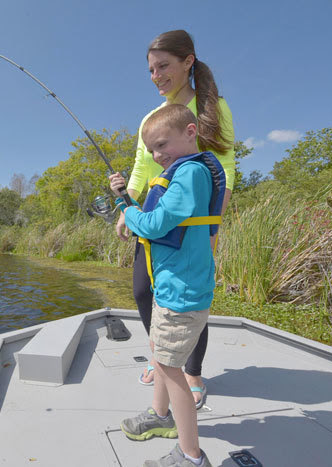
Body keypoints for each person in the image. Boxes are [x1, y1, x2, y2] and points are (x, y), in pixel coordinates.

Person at [115, 30, 235, 407]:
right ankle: (162, 359)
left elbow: (226, 170)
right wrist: (128, 206)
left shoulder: (214, 108)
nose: (156, 76)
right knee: (143, 291)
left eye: (163, 65)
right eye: (151, 70)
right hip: (153, 213)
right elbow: (140, 167)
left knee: (188, 301)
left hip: (195, 221)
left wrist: (212, 228)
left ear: (188, 61)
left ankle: (192, 372)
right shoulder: (150, 118)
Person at [111, 104, 223, 467]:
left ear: (190, 132)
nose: (158, 155)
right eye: (153, 150)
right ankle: (159, 416)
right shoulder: (180, 172)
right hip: (171, 289)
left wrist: (127, 212)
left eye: (163, 145)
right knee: (160, 353)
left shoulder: (189, 173)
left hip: (183, 293)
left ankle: (191, 456)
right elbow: (157, 217)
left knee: (173, 370)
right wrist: (123, 197)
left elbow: (157, 223)